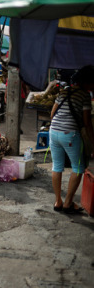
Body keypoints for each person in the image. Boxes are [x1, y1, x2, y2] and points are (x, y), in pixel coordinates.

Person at [49, 65, 94, 214]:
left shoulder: (64, 91)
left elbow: (52, 114)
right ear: (88, 81)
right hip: (70, 134)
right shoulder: (84, 95)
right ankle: (68, 203)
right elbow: (87, 123)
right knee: (78, 167)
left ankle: (58, 201)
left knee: (57, 166)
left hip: (53, 132)